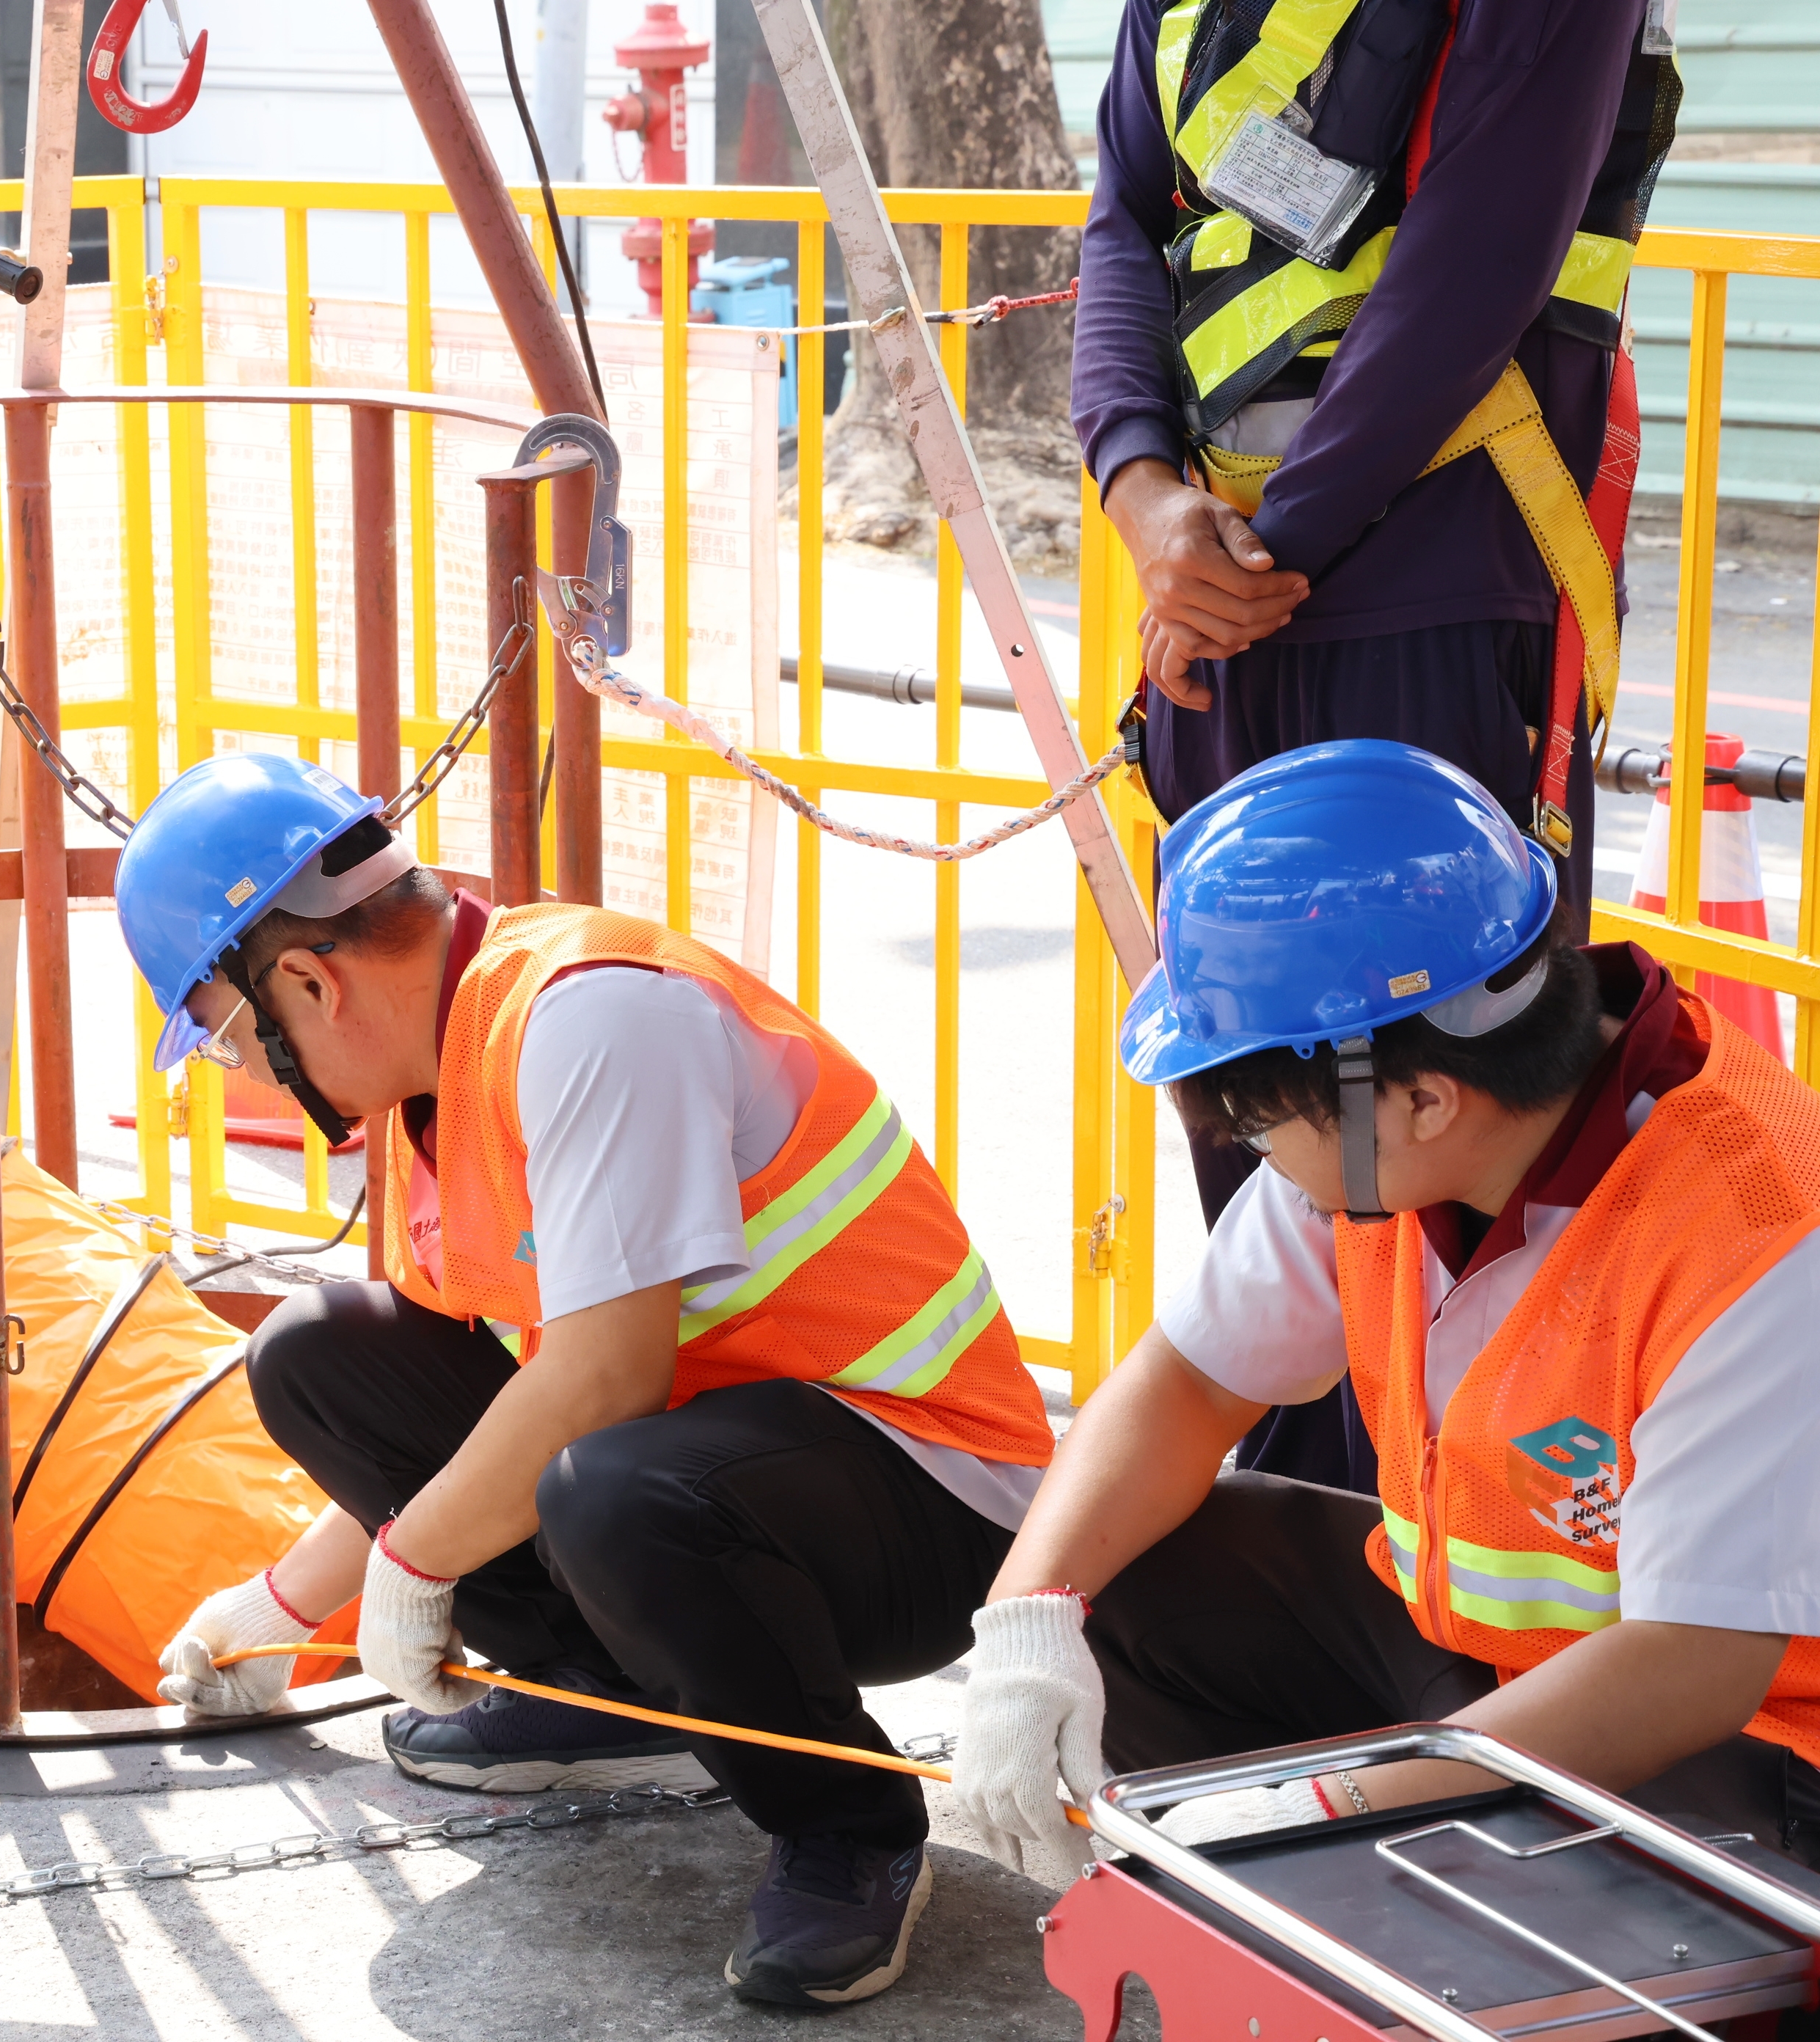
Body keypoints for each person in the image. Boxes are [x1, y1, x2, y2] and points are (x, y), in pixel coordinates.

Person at [115, 752, 1056, 2007]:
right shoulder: (436, 1086)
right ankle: (619, 1696)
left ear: (304, 980)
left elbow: (607, 1377)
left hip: (929, 1500)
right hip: (725, 1468)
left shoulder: (593, 1015)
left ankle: (849, 1830)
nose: (242, 1078)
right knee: (319, 1358)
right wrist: (283, 1604)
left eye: (229, 1040)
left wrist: (410, 1567)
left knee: (608, 1487)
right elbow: (500, 1404)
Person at [952, 739, 1820, 1879]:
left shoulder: (1762, 1231)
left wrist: (1336, 1804)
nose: (1248, 1148)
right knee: (1138, 1579)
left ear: (1420, 1100)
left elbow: (1692, 1666)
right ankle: (1300, 1905)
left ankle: (1355, 1902)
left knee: (1402, 1860)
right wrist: (1023, 1629)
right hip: (1491, 1669)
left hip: (1752, 1754)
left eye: (1262, 1118)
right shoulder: (1386, 1137)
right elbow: (1191, 1384)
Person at [1076, 0, 1681, 1487]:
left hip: (1426, 592)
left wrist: (1240, 565)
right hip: (1221, 603)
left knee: (1437, 1117)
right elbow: (1119, 232)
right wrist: (1147, 499)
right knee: (1259, 1108)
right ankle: (1289, 1540)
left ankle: (1452, 1559)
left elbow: (1466, 282)